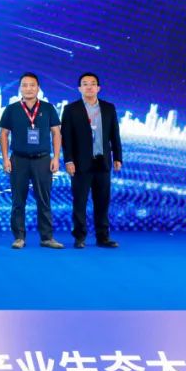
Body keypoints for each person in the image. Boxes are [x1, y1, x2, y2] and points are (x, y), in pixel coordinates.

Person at [0, 72, 64, 250]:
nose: (28, 88)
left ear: (38, 88)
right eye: (25, 85)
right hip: (18, 160)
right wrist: (5, 159)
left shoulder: (48, 108)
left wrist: (56, 157)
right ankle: (19, 237)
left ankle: (47, 237)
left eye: (32, 85)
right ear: (20, 88)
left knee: (44, 200)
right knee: (18, 201)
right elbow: (4, 134)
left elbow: (56, 133)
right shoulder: (11, 109)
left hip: (42, 160)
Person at [61, 72, 123, 249]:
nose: (89, 87)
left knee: (102, 202)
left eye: (93, 83)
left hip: (103, 162)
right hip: (80, 164)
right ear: (79, 88)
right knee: (79, 202)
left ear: (98, 88)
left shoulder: (109, 108)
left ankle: (103, 237)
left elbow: (115, 134)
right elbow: (66, 138)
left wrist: (118, 157)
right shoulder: (71, 109)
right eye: (85, 84)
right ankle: (79, 237)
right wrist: (68, 160)